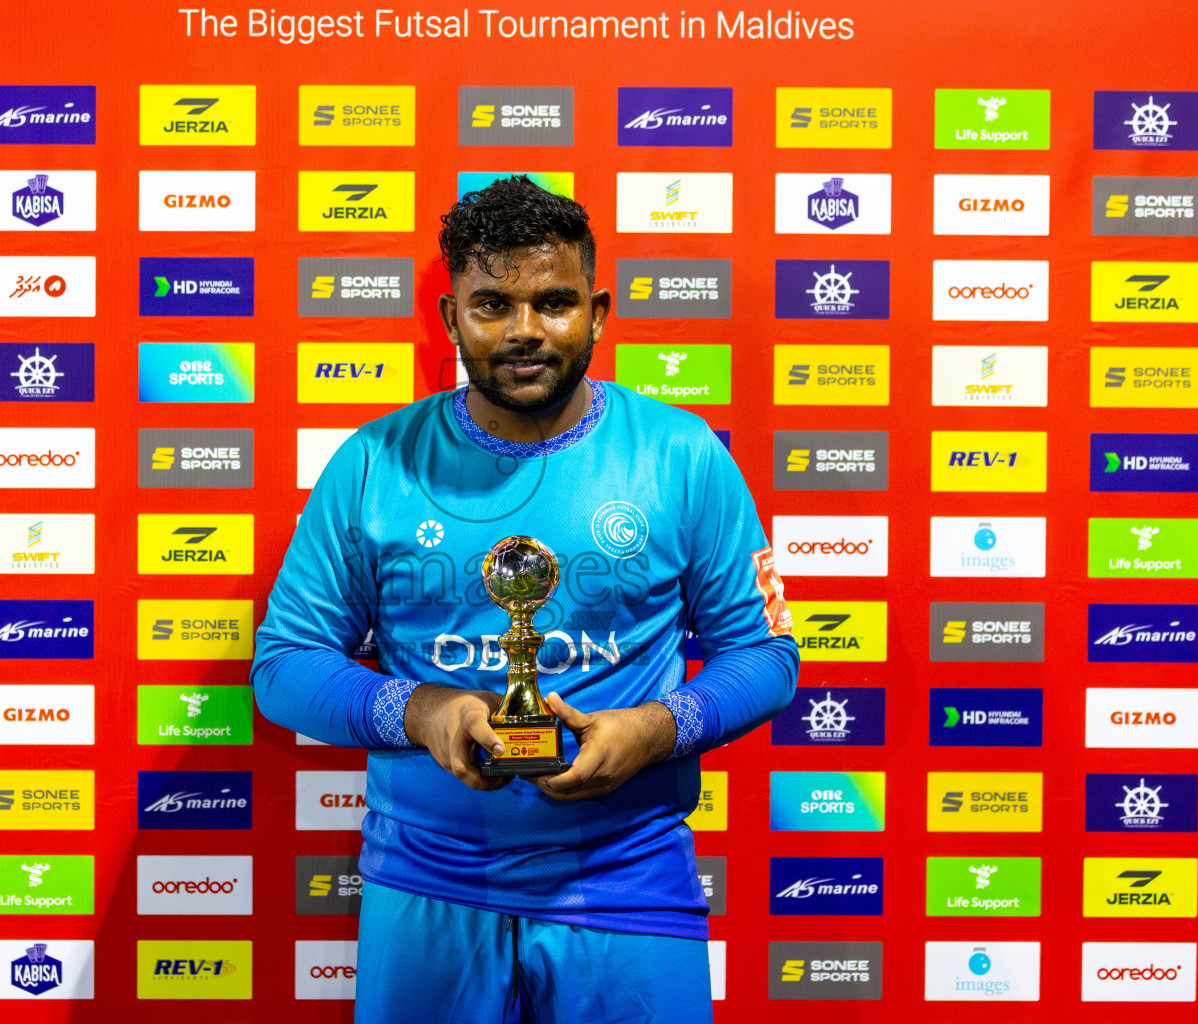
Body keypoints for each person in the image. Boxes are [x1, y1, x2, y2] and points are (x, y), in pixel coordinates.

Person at [253, 175, 799, 1023]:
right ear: (450, 318)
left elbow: (764, 656)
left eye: (553, 302)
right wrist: (422, 710)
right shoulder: (374, 462)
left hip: (628, 880)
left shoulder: (681, 454)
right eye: (491, 305)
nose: (524, 332)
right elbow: (285, 666)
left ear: (599, 310)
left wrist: (656, 730)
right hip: (425, 880)